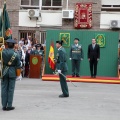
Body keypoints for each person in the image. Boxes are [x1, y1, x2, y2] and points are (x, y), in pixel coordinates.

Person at [1, 39, 21, 111]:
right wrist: (18, 75)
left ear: (7, 44)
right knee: (10, 89)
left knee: (4, 88)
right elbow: (18, 65)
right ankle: (9, 105)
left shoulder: (3, 52)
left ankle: (3, 105)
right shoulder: (16, 54)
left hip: (4, 72)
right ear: (13, 45)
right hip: (12, 72)